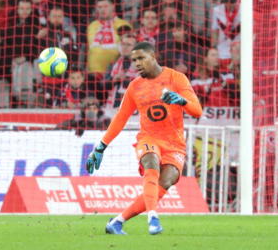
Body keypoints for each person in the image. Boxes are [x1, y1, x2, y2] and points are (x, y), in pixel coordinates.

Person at [85, 41, 203, 235]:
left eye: (141, 58)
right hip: (149, 138)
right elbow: (120, 118)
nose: (137, 63)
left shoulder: (176, 78)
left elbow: (197, 110)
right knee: (151, 162)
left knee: (167, 180)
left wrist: (181, 100)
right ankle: (153, 218)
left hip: (174, 144)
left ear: (153, 57)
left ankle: (117, 221)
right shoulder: (134, 87)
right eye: (134, 60)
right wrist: (101, 147)